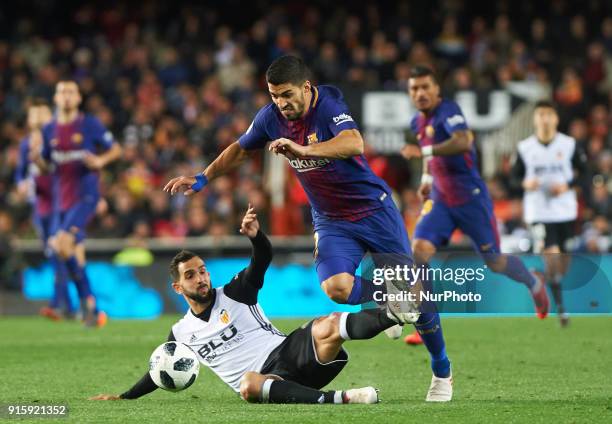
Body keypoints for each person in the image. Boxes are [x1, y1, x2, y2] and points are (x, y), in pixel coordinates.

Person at [164, 55, 453, 400]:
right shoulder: (270, 118)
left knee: (416, 294)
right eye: (274, 96)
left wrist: (302, 148)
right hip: (331, 220)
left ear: (306, 87)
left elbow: (353, 143)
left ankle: (441, 371)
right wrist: (203, 177)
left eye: (286, 94)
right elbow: (241, 149)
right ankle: (392, 303)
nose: (281, 103)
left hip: (373, 210)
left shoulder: (328, 105)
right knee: (336, 287)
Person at [89, 206, 441, 404]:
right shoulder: (181, 333)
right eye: (192, 275)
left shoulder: (236, 291)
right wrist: (124, 398)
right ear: (177, 286)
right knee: (247, 386)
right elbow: (160, 370)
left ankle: (395, 311)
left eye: (203, 271)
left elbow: (263, 259)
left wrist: (256, 237)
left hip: (290, 353)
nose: (201, 278)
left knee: (329, 323)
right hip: (266, 381)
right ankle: (342, 399)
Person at [401, 65, 550, 345]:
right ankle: (427, 325)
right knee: (418, 251)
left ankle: (534, 282)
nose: (420, 93)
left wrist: (424, 151)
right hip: (442, 199)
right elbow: (430, 157)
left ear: (437, 90)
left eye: (425, 87)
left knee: (494, 261)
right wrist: (425, 177)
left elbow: (462, 142)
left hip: (471, 199)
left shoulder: (449, 111)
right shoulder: (416, 123)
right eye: (414, 88)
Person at [34, 80, 122, 327]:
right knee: (65, 250)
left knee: (61, 243)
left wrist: (100, 161)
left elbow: (116, 149)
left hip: (86, 197)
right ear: (55, 98)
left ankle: (88, 302)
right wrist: (37, 162)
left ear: (79, 98)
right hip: (61, 201)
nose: (66, 96)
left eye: (71, 92)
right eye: (62, 92)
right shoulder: (49, 129)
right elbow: (46, 163)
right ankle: (91, 307)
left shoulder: (89, 124)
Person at [512, 100, 587, 327]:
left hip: (564, 210)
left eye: (548, 114)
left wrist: (567, 185)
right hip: (539, 211)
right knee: (552, 254)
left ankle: (541, 278)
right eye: (541, 114)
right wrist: (526, 183)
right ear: (535, 119)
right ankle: (562, 311)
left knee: (563, 261)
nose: (544, 118)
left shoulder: (569, 145)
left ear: (555, 118)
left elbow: (585, 172)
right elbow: (513, 178)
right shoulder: (525, 147)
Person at [15, 100, 74, 320]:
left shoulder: (57, 141)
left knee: (59, 251)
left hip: (60, 203)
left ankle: (60, 304)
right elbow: (20, 172)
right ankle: (65, 304)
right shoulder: (26, 144)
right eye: (35, 118)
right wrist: (21, 182)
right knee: (54, 254)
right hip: (41, 205)